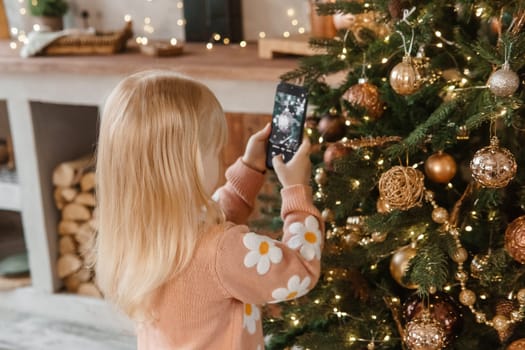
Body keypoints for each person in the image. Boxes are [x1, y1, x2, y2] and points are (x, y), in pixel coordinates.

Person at [94, 70, 325, 350]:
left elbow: (213, 219)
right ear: (187, 165)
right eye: (214, 150)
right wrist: (297, 191)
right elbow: (298, 272)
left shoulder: (138, 232)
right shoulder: (221, 251)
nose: (219, 156)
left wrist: (250, 169)